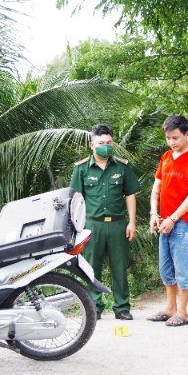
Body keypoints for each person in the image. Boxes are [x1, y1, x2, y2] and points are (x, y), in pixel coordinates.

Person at [70, 124, 140, 320]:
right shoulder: (81, 168)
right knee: (92, 267)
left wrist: (131, 222)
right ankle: (94, 307)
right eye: (101, 143)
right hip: (92, 225)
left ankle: (122, 307)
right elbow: (75, 200)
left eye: (109, 143)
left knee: (120, 267)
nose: (106, 146)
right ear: (92, 144)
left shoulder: (122, 166)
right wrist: (76, 228)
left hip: (118, 224)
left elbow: (130, 195)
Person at [147, 115, 188, 327]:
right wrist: (154, 214)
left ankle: (183, 312)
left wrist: (173, 218)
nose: (171, 142)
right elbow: (156, 189)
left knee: (183, 269)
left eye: (175, 137)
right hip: (164, 222)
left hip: (184, 224)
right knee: (166, 270)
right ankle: (170, 308)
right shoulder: (165, 157)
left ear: (187, 135)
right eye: (168, 138)